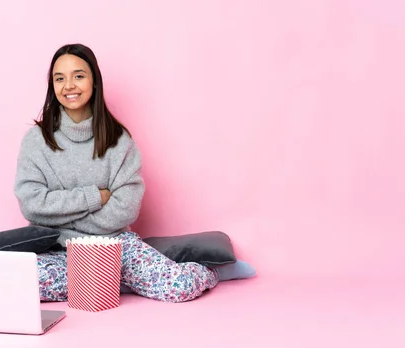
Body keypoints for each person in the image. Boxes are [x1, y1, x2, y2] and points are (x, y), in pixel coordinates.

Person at [14, 43, 255, 303]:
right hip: (57, 249)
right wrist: (94, 197)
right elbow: (32, 205)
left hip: (115, 245)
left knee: (179, 287)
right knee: (21, 285)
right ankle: (119, 281)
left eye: (79, 76)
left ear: (94, 81)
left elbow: (125, 210)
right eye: (59, 78)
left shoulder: (119, 140)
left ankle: (214, 271)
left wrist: (61, 216)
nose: (69, 85)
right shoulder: (36, 140)